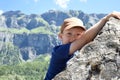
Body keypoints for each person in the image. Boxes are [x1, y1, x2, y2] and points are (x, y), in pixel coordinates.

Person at [44, 11, 120, 80]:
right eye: (69, 34)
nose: (73, 37)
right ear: (61, 36)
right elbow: (85, 39)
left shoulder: (76, 53)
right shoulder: (59, 52)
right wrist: (105, 19)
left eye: (78, 34)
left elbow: (88, 39)